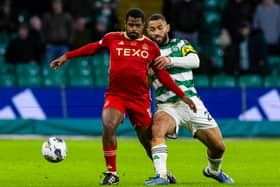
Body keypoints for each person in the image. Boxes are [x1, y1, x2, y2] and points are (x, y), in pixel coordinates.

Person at [50, 8, 196, 185]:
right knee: (109, 124)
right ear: (125, 24)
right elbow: (93, 48)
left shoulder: (151, 47)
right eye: (131, 25)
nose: (134, 28)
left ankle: (162, 172)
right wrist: (67, 56)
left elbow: (163, 75)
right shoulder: (113, 38)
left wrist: (183, 95)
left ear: (142, 26)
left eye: (137, 25)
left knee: (147, 141)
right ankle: (112, 173)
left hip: (140, 99)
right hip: (116, 95)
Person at [144, 14, 234, 185]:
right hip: (167, 105)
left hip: (192, 104)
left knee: (218, 147)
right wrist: (146, 74)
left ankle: (213, 171)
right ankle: (161, 176)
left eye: (159, 28)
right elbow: (146, 83)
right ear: (147, 31)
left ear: (167, 28)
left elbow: (195, 61)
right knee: (157, 130)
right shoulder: (146, 52)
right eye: (152, 29)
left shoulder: (180, 44)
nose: (156, 32)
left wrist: (169, 60)